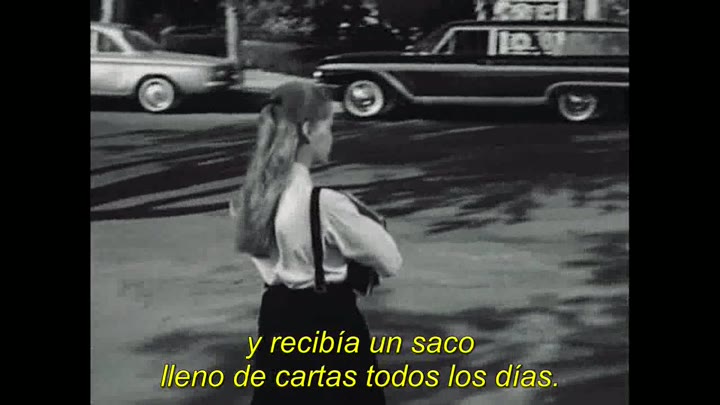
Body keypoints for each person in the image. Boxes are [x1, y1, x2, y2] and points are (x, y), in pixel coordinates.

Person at [230, 81, 403, 405]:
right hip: (329, 320)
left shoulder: (249, 200)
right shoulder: (325, 203)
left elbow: (265, 260)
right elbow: (391, 261)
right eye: (328, 126)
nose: (331, 136)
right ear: (308, 130)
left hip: (276, 317)